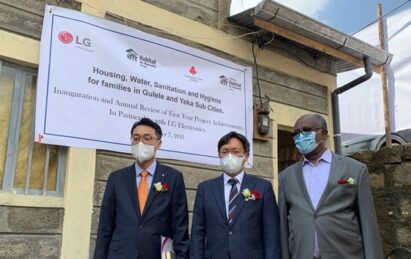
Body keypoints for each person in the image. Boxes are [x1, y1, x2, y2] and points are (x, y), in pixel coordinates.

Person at [279, 114, 384, 259]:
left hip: (345, 252)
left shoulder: (355, 169)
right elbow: (283, 225)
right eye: (296, 133)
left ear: (324, 134)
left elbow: (368, 222)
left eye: (306, 130)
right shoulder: (286, 176)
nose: (300, 136)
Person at [94, 118, 189, 259]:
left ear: (158, 144)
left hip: (157, 254)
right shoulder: (117, 178)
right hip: (120, 254)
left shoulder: (173, 178)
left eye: (147, 138)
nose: (140, 143)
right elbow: (105, 228)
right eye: (136, 138)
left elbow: (180, 227)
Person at [190, 131, 281, 259]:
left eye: (235, 151)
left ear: (246, 156)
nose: (230, 156)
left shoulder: (263, 187)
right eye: (225, 152)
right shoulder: (205, 189)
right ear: (219, 156)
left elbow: (271, 234)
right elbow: (197, 233)